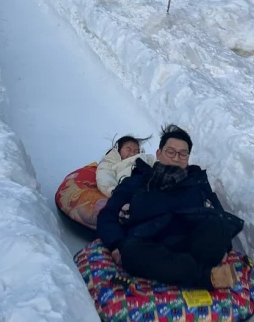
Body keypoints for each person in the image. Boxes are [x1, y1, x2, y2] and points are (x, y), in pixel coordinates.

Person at [95, 124, 243, 290]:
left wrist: (224, 246)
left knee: (217, 223)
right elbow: (108, 214)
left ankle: (184, 271)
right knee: (130, 251)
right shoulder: (138, 182)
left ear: (188, 157)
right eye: (170, 152)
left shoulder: (197, 182)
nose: (176, 158)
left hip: (191, 243)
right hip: (150, 244)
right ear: (158, 154)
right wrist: (116, 244)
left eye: (182, 154)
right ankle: (207, 277)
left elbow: (218, 214)